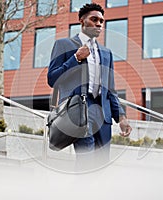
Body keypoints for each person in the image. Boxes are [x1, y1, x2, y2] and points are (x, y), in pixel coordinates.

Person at [47, 3, 132, 170]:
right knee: (86, 163)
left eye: (101, 21)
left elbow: (110, 90)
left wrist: (121, 117)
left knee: (101, 166)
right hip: (78, 112)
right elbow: (52, 79)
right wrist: (76, 58)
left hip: (104, 115)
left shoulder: (106, 53)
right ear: (82, 21)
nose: (99, 24)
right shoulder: (64, 45)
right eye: (94, 20)